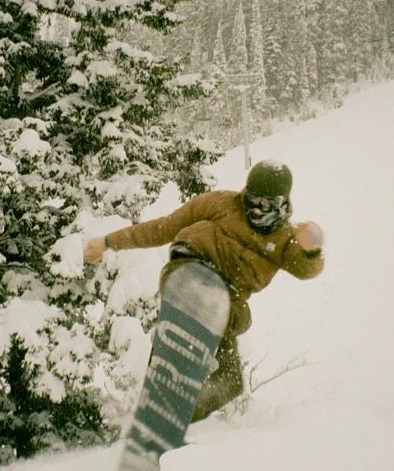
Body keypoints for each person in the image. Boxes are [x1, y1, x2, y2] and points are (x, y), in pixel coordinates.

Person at [83, 160, 324, 420]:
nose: (254, 210)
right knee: (206, 297)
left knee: (230, 382)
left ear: (280, 203)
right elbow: (163, 227)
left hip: (227, 298)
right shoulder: (222, 203)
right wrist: (108, 242)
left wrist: (311, 248)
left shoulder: (283, 239)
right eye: (251, 200)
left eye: (264, 205)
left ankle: (176, 417)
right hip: (190, 267)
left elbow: (305, 269)